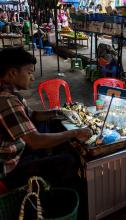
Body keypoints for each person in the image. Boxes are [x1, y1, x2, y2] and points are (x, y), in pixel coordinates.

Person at [0, 47, 91, 190]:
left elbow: (33, 115)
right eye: (29, 73)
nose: (33, 77)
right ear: (12, 73)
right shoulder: (6, 101)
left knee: (51, 123)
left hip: (19, 147)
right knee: (68, 161)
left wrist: (59, 112)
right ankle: (55, 197)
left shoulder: (11, 93)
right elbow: (35, 141)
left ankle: (49, 159)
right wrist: (75, 133)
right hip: (10, 168)